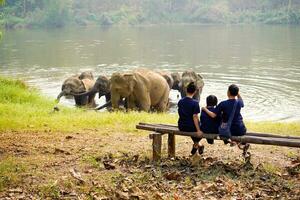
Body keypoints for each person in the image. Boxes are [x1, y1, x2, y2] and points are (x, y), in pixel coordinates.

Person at [202, 84, 249, 151]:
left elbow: (213, 115)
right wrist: (237, 93)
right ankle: (240, 144)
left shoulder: (223, 104)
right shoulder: (239, 102)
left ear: (228, 92)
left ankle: (237, 143)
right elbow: (241, 101)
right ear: (236, 93)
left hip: (229, 130)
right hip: (241, 129)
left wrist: (204, 109)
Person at [178, 82, 203, 155]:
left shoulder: (180, 101)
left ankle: (198, 145)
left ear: (186, 90)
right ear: (195, 92)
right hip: (190, 127)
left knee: (193, 126)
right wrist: (198, 130)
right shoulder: (195, 103)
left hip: (181, 126)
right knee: (204, 129)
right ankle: (196, 144)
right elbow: (195, 117)